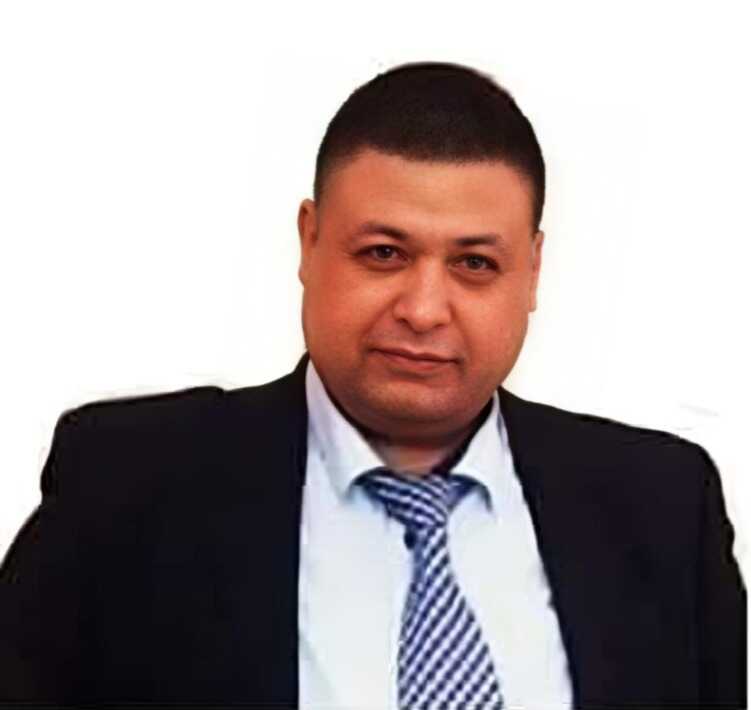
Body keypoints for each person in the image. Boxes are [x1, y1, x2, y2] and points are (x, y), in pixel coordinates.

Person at [0, 61, 745, 708]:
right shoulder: (126, 488)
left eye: (474, 264)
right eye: (384, 253)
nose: (423, 310)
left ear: (533, 271)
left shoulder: (661, 505)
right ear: (309, 241)